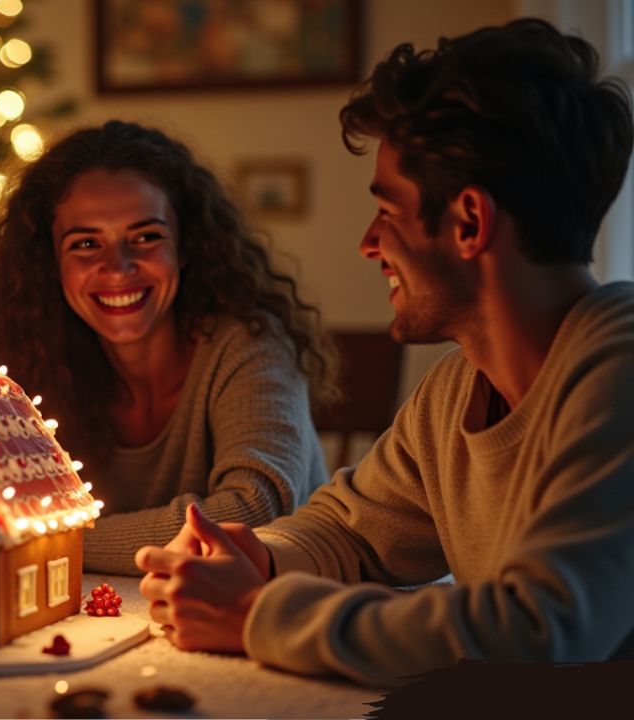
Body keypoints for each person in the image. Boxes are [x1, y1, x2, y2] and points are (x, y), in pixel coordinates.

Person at [136, 18, 634, 687]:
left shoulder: (617, 372)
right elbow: (353, 534)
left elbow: (540, 632)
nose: (370, 244)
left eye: (388, 213)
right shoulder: (459, 388)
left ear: (468, 222)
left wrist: (257, 611)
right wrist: (254, 556)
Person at [0, 120, 337, 575]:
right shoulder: (31, 364)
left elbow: (254, 513)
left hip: (274, 609)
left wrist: (49, 539)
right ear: (50, 263)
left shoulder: (250, 346)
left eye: (145, 237)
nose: (117, 267)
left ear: (186, 246)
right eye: (86, 244)